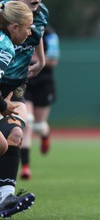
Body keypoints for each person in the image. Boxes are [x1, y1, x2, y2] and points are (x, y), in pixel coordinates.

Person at [0, 0, 48, 218]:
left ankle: (5, 200)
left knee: (14, 136)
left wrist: (41, 59)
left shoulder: (37, 17)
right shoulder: (5, 47)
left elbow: (38, 34)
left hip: (13, 90)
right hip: (2, 93)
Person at [0, 0, 35, 218]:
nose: (30, 33)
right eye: (27, 28)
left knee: (10, 138)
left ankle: (5, 200)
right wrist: (5, 106)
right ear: (14, 27)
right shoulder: (5, 47)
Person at [20, 25, 60, 180]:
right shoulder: (16, 28)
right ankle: (25, 166)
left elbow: (53, 60)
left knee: (38, 125)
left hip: (43, 83)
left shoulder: (50, 33)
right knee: (27, 121)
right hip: (24, 81)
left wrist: (34, 58)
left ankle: (45, 135)